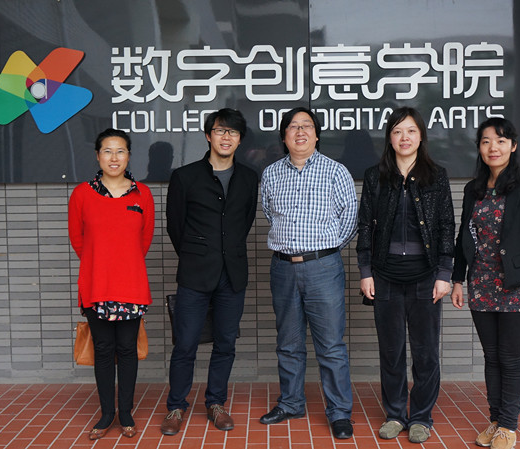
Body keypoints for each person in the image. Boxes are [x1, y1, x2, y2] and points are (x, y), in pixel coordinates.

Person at [356, 107, 454, 443]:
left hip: (425, 276)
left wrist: (444, 272)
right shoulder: (376, 176)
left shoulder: (436, 175)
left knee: (425, 353)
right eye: (397, 131)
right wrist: (366, 271)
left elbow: (446, 225)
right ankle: (396, 414)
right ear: (389, 137)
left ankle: (421, 417)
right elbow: (365, 225)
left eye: (411, 131)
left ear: (421, 135)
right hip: (384, 275)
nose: (404, 137)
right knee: (391, 351)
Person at [259, 106, 358, 439]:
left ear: (316, 135)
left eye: (306, 126)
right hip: (283, 267)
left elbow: (350, 219)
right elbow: (270, 214)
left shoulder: (336, 171)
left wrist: (322, 250)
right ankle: (290, 403)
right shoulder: (271, 173)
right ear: (284, 136)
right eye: (293, 126)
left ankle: (339, 412)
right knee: (288, 343)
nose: (300, 131)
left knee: (330, 345)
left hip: (323, 267)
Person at [160, 108, 259, 435]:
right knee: (185, 344)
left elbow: (243, 222)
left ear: (240, 139)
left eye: (233, 132)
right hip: (195, 273)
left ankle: (216, 403)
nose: (226, 137)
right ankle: (176, 406)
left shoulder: (249, 178)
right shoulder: (185, 177)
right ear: (208, 135)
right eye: (220, 130)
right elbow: (176, 226)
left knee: (226, 343)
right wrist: (198, 255)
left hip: (233, 274)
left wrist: (225, 252)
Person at [450, 117, 520, 449]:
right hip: (480, 283)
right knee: (491, 357)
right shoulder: (473, 188)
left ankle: (508, 426)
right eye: (486, 141)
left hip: (515, 285)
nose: (494, 147)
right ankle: (495, 420)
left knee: (511, 357)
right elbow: (464, 236)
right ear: (479, 147)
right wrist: (458, 279)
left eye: (501, 141)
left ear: (513, 146)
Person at [68, 129, 154, 440]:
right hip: (96, 285)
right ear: (97, 155)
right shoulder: (81, 194)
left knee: (127, 350)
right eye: (107, 151)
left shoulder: (142, 194)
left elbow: (144, 240)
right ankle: (106, 413)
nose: (114, 157)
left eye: (120, 151)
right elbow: (78, 240)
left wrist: (122, 263)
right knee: (103, 350)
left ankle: (126, 412)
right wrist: (101, 263)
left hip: (131, 284)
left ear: (129, 156)